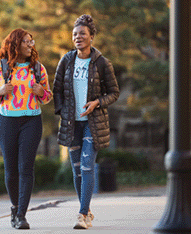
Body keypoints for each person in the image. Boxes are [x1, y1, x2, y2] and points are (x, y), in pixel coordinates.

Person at [0, 28, 53, 229]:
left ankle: (21, 214)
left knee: (26, 168)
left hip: (31, 121)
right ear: (15, 44)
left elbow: (47, 97)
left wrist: (42, 92)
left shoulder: (38, 68)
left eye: (32, 41)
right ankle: (15, 206)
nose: (31, 45)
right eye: (27, 41)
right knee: (11, 169)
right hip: (7, 121)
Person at [53, 15, 119, 229]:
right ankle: (87, 210)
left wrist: (97, 103)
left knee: (88, 166)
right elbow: (57, 90)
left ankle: (81, 214)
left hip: (93, 122)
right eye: (74, 34)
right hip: (73, 124)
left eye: (82, 33)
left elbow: (114, 92)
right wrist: (64, 111)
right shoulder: (66, 60)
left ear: (91, 36)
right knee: (77, 170)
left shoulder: (101, 62)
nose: (77, 37)